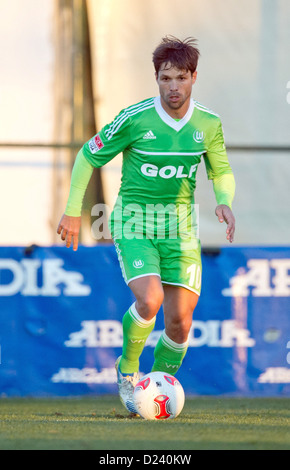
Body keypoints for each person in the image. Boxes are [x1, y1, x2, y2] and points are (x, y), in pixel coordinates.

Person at [57, 36, 235, 414]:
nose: (173, 87)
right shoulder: (135, 118)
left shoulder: (208, 123)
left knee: (180, 323)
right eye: (165, 78)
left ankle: (152, 394)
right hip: (134, 221)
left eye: (181, 78)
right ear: (156, 78)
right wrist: (73, 210)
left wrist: (225, 202)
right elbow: (88, 156)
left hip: (181, 230)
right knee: (150, 299)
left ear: (194, 77)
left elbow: (221, 170)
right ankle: (128, 370)